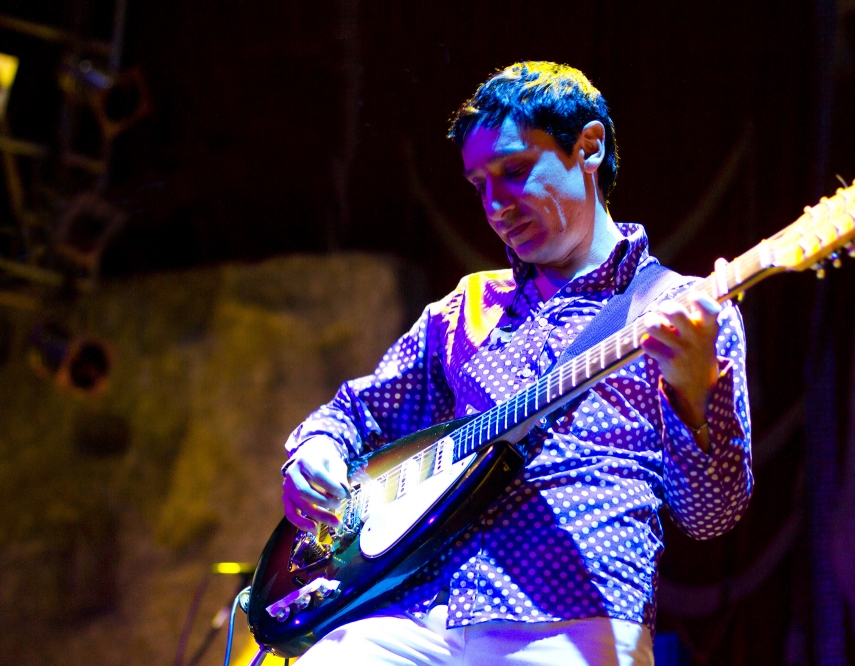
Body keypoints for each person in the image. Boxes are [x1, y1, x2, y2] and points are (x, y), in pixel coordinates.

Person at [280, 61, 752, 665]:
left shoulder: (682, 311)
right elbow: (355, 410)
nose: (495, 204)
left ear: (588, 148)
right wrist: (317, 447)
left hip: (570, 620)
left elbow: (712, 516)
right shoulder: (467, 308)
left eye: (514, 171)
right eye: (479, 184)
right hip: (418, 615)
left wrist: (695, 389)